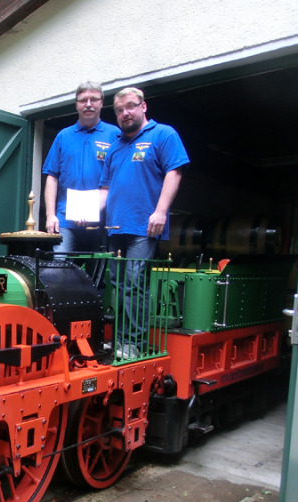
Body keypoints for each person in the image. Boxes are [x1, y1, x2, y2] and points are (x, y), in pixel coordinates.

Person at [99, 87, 190, 359]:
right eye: (119, 110)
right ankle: (118, 339)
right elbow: (104, 188)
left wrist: (161, 211)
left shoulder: (163, 134)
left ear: (143, 106)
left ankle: (133, 343)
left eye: (130, 106)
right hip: (114, 228)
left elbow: (174, 173)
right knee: (116, 283)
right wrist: (89, 213)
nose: (125, 113)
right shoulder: (115, 146)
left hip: (144, 227)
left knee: (135, 284)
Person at [43, 81, 119, 254]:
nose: (89, 104)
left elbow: (119, 178)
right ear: (76, 104)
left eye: (94, 99)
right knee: (59, 269)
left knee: (95, 275)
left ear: (101, 102)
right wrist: (50, 215)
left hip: (101, 221)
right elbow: (52, 177)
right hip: (65, 220)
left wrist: (91, 210)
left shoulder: (114, 135)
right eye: (83, 100)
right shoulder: (63, 136)